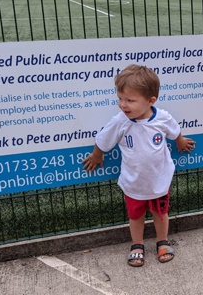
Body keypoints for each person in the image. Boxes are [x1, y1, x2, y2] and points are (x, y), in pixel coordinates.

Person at [82, 64, 195, 267]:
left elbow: (174, 129)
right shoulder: (120, 122)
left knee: (161, 214)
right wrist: (97, 155)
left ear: (150, 101)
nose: (123, 105)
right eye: (120, 99)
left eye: (130, 100)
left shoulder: (162, 118)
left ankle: (163, 242)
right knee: (136, 216)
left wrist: (180, 141)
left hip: (159, 180)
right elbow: (103, 138)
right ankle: (137, 245)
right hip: (133, 184)